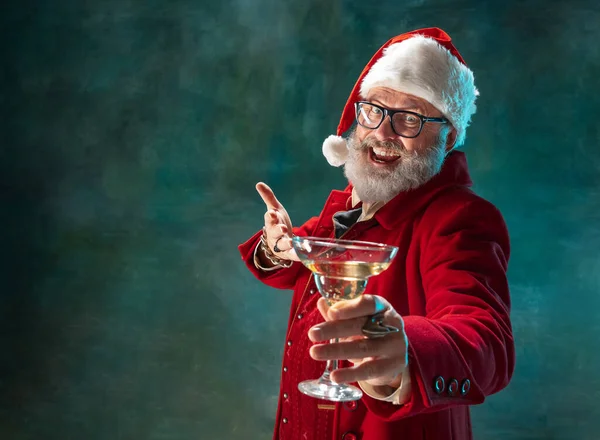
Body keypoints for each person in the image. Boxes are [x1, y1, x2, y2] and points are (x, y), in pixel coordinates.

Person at [238, 27, 514, 440]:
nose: (383, 134)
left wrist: (407, 353)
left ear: (448, 135)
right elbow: (296, 261)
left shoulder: (460, 218)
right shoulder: (353, 204)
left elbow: (486, 339)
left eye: (409, 119)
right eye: (374, 111)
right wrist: (280, 246)